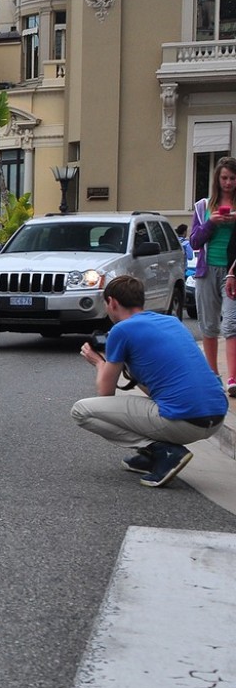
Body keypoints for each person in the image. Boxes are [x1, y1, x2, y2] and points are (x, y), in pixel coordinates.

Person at [72, 275, 228, 487]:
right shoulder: (171, 321)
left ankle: (162, 451)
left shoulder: (121, 330)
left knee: (81, 410)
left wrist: (99, 363)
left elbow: (105, 394)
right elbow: (157, 390)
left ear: (112, 302)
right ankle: (150, 456)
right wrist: (132, 368)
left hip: (185, 420)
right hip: (216, 417)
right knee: (152, 407)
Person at [188, 155, 236, 390]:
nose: (228, 183)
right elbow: (194, 242)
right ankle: (213, 375)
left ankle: (233, 378)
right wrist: (212, 222)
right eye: (224, 178)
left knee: (232, 324)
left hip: (232, 271)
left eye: (232, 178)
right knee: (208, 325)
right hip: (206, 271)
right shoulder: (203, 206)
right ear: (217, 179)